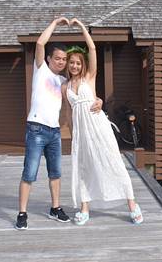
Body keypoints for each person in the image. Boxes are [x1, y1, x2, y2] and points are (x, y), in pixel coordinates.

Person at [16, 17, 102, 230]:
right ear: (48, 59)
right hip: (36, 129)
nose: (62, 62)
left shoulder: (64, 82)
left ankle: (55, 208)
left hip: (54, 132)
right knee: (29, 173)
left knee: (55, 173)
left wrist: (99, 100)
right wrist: (55, 23)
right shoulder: (41, 70)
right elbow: (40, 43)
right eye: (58, 58)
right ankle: (22, 213)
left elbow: (79, 101)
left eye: (64, 59)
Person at [62, 18, 143, 226]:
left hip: (98, 127)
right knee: (83, 167)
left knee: (113, 162)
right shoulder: (65, 87)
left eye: (78, 62)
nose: (75, 65)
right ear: (68, 64)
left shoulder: (89, 77)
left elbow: (92, 48)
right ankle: (84, 208)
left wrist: (81, 27)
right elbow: (69, 113)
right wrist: (73, 135)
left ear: (83, 65)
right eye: (72, 62)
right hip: (81, 133)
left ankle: (132, 204)